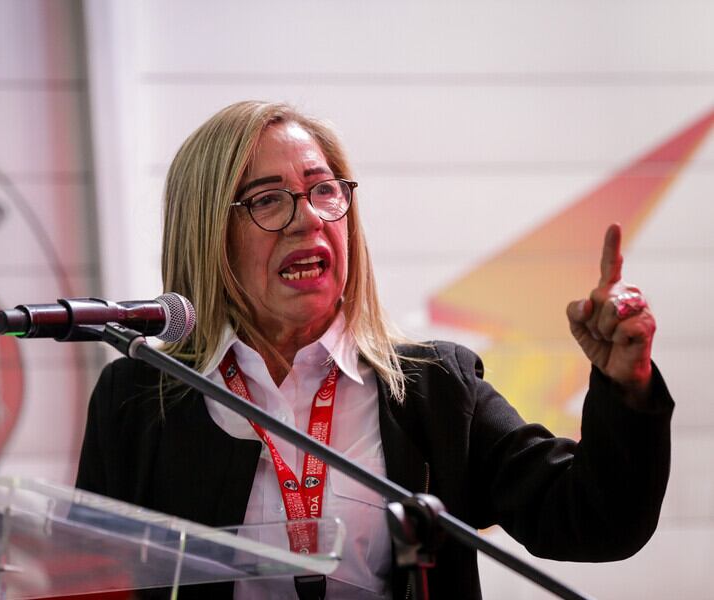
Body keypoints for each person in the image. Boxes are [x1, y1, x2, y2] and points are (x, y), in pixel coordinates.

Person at [76, 101, 672, 599]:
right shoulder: (138, 399)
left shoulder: (435, 387)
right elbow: (86, 577)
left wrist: (627, 387)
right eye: (267, 199)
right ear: (208, 232)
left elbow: (595, 521)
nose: (307, 219)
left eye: (323, 191)